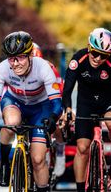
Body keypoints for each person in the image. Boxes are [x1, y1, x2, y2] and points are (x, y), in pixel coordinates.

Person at [0, 31, 62, 192]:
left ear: (30, 55)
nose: (15, 63)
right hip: (15, 101)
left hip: (41, 107)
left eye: (20, 57)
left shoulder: (44, 68)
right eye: (11, 58)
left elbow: (56, 103)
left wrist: (53, 117)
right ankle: (4, 163)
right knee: (11, 123)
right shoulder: (2, 69)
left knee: (38, 159)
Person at [61, 28, 111, 192]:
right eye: (95, 53)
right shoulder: (78, 59)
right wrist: (68, 109)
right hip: (86, 103)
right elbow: (67, 90)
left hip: (109, 101)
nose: (98, 58)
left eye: (104, 55)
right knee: (82, 148)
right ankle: (80, 188)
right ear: (88, 47)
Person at [32, 43, 66, 177]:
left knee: (55, 124)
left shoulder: (50, 68)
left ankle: (60, 150)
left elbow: (60, 91)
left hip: (49, 99)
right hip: (31, 103)